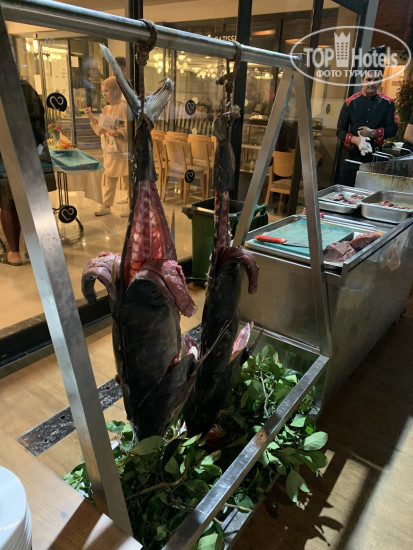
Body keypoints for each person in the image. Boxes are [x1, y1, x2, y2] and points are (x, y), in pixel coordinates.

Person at [0, 79, 54, 266]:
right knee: (33, 201)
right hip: (29, 151)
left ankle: (14, 253)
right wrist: (38, 141)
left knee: (8, 202)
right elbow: (39, 119)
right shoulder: (25, 87)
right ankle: (36, 249)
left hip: (5, 154)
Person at [336, 68, 398, 186]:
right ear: (362, 80)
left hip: (374, 157)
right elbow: (340, 131)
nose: (372, 83)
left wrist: (373, 133)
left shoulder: (388, 103)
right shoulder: (350, 102)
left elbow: (393, 129)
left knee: (369, 190)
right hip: (350, 156)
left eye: (376, 80)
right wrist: (356, 140)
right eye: (369, 79)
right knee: (346, 190)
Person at [84, 76, 129, 216]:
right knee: (109, 178)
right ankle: (106, 205)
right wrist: (91, 116)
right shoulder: (106, 109)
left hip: (123, 150)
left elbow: (130, 129)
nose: (104, 94)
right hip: (111, 150)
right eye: (103, 91)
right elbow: (100, 130)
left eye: (107, 91)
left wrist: (117, 132)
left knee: (128, 179)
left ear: (115, 90)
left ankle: (131, 206)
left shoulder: (125, 107)